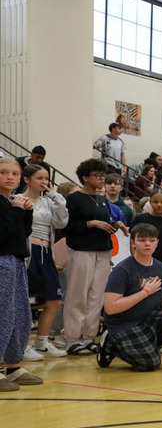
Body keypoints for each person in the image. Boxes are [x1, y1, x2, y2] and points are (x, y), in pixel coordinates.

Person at [99, 224, 162, 371]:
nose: (147, 244)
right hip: (123, 324)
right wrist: (145, 292)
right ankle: (111, 344)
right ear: (133, 243)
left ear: (157, 242)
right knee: (150, 364)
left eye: (151, 240)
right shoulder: (122, 270)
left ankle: (145, 346)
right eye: (142, 240)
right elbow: (111, 308)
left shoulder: (160, 268)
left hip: (148, 319)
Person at [64, 158, 129, 355]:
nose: (101, 179)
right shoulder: (74, 199)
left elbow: (105, 221)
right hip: (81, 250)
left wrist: (115, 224)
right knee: (78, 294)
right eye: (97, 176)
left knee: (97, 295)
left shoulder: (102, 200)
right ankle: (72, 338)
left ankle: (88, 337)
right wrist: (91, 223)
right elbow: (67, 227)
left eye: (103, 175)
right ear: (85, 178)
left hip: (103, 249)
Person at [0, 159, 43, 391]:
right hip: (1, 260)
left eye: (14, 173)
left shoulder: (12, 201)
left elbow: (22, 232)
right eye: (3, 172)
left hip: (16, 261)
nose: (10, 177)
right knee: (2, 314)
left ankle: (14, 366)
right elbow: (3, 233)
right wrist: (17, 210)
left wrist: (26, 213)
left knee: (20, 314)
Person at [21, 164, 68, 359]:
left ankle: (42, 342)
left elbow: (61, 223)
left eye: (46, 178)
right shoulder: (18, 200)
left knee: (55, 299)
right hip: (27, 253)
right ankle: (21, 345)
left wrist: (57, 198)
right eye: (39, 178)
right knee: (23, 301)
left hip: (46, 252)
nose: (44, 182)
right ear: (27, 180)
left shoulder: (49, 202)